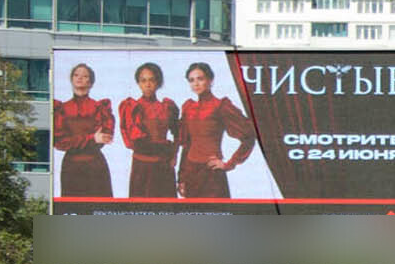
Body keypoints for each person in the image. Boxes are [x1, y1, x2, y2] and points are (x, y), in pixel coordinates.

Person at [174, 61, 281, 201]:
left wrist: (229, 164)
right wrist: (181, 178)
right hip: (191, 172)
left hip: (211, 173)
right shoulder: (188, 107)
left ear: (210, 80)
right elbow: (186, 144)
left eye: (200, 79)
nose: (196, 84)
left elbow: (249, 136)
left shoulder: (221, 106)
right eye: (191, 80)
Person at [50, 62, 115, 199]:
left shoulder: (100, 108)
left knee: (99, 207)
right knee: (73, 207)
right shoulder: (61, 109)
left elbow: (104, 138)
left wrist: (76, 141)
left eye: (85, 76)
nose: (79, 78)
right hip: (71, 167)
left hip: (95, 166)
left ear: (91, 82)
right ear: (71, 79)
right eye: (76, 75)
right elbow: (60, 142)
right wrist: (91, 138)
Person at [119, 61, 180, 199]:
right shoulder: (131, 107)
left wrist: (174, 156)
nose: (147, 84)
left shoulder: (167, 107)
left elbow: (178, 134)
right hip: (141, 167)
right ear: (138, 83)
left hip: (163, 166)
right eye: (143, 80)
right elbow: (129, 141)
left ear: (158, 82)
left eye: (152, 80)